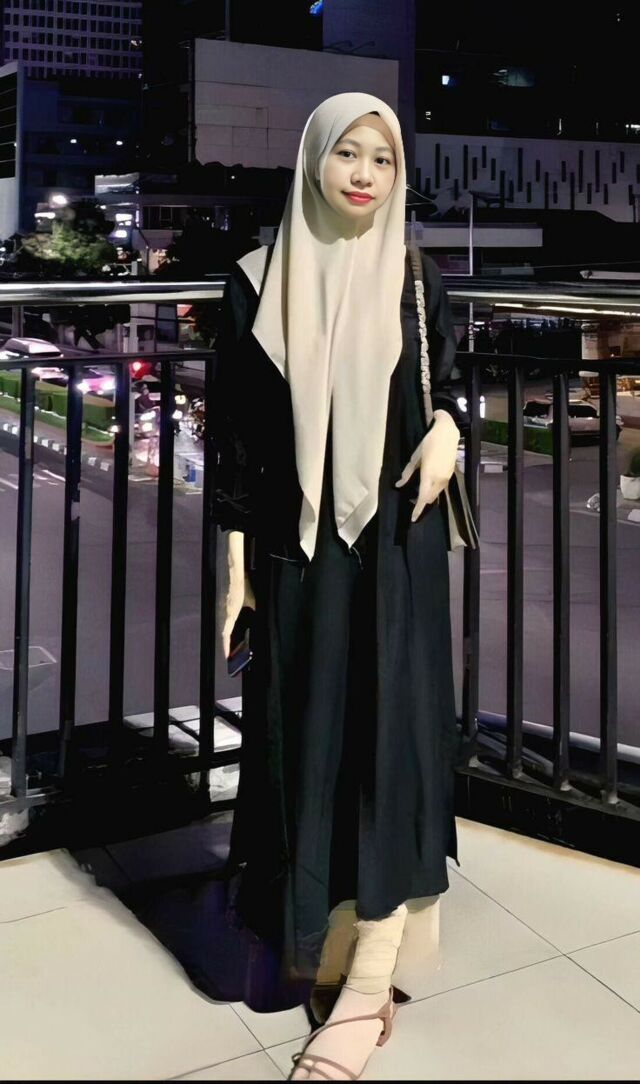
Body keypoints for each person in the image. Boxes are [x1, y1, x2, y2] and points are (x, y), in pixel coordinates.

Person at [213, 92, 464, 1081]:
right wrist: (237, 570)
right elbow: (236, 440)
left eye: (383, 159)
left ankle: (369, 983)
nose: (364, 174)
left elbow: (448, 386)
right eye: (347, 153)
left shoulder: (414, 277)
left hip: (397, 549)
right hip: (297, 553)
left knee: (391, 746)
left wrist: (451, 427)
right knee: (305, 745)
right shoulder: (255, 281)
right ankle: (315, 936)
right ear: (313, 160)